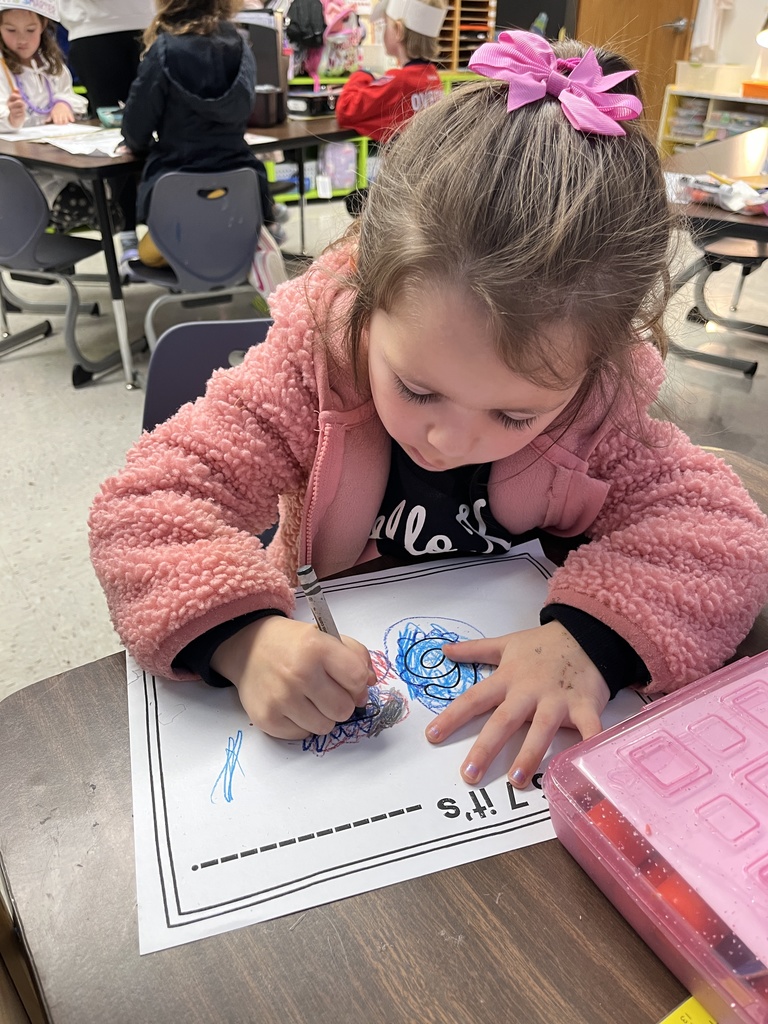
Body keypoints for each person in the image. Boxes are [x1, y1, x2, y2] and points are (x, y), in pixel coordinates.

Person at [89, 32, 768, 790]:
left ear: (595, 366)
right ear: (365, 305)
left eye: (514, 416)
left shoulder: (597, 410)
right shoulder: (312, 369)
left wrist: (592, 642)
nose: (448, 439)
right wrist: (243, 638)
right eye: (417, 391)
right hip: (342, 698)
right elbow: (145, 505)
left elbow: (723, 539)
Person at [118, 0, 280, 269]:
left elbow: (137, 123)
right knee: (228, 226)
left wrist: (137, 145)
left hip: (176, 182)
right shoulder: (241, 46)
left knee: (148, 254)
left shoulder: (164, 50)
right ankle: (251, 244)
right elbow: (246, 106)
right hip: (238, 181)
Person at [56, 0, 155, 263]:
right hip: (92, 28)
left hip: (150, 22)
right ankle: (128, 234)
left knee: (161, 129)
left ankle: (164, 235)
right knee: (115, 139)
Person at [0, 1, 88, 205]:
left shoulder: (51, 65)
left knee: (103, 202)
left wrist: (63, 103)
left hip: (57, 159)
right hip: (21, 165)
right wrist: (11, 118)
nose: (22, 39)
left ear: (43, 25)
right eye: (11, 30)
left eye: (30, 30)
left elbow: (69, 95)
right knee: (76, 203)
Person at [335, 0, 446, 143]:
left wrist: (362, 75)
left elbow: (346, 111)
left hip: (401, 158)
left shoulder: (400, 81)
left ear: (399, 31)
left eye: (386, 25)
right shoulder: (432, 76)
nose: (384, 31)